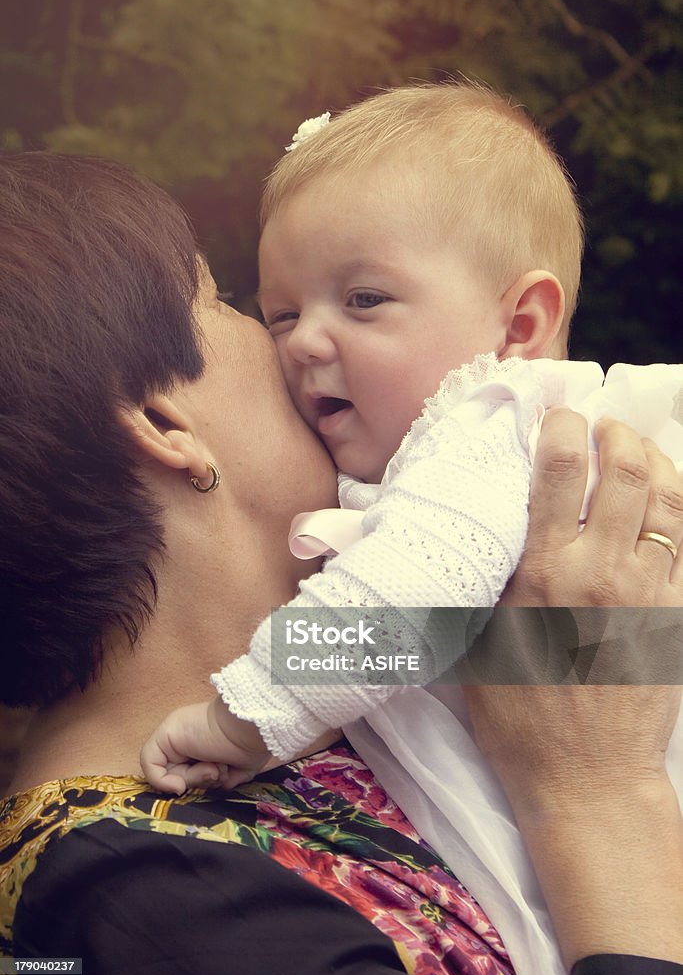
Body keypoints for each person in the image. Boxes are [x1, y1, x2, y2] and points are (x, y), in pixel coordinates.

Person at [0, 152, 682, 975]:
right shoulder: (148, 903)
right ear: (162, 422)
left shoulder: (330, 731)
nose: (293, 343)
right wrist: (601, 793)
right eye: (231, 304)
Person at [141, 84, 683, 863]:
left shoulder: (488, 416)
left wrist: (248, 716)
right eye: (283, 313)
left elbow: (412, 594)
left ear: (519, 327)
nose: (301, 342)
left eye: (363, 299)